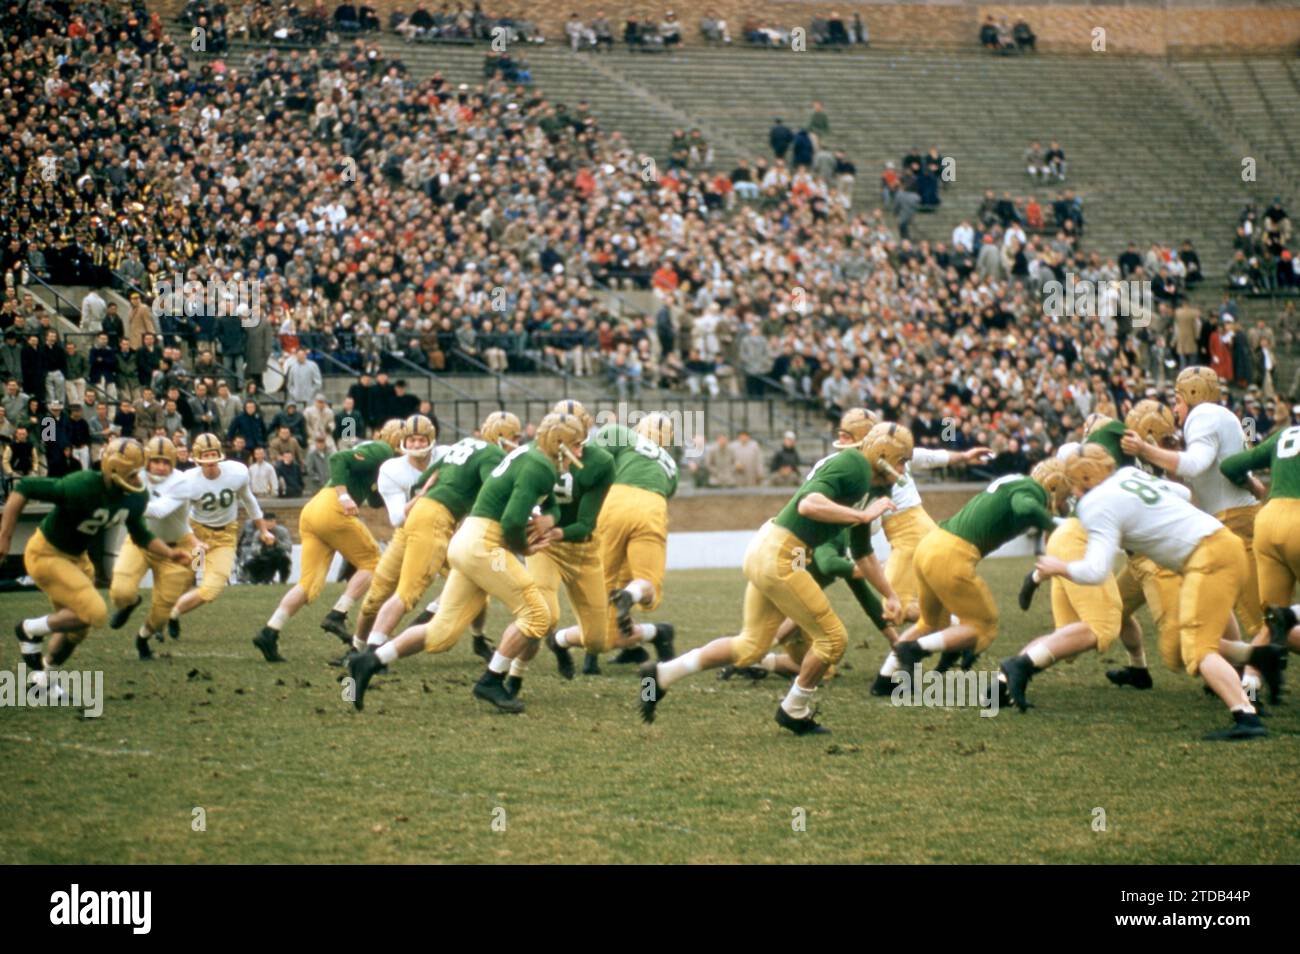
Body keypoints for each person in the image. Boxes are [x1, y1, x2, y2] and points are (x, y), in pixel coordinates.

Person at [638, 423, 903, 734]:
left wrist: (890, 595)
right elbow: (808, 504)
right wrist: (862, 515)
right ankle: (794, 710)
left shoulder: (872, 485)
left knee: (750, 647)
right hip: (782, 551)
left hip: (771, 549)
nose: (904, 468)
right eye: (903, 460)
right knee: (832, 639)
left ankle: (662, 674)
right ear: (885, 454)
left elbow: (864, 555)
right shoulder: (855, 463)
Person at [1033, 446, 1285, 740]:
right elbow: (1183, 494)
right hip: (1222, 543)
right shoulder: (1127, 474)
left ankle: (1247, 717)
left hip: (1206, 557)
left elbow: (1096, 571)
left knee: (1197, 650)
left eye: (1075, 483)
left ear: (1085, 479)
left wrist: (1059, 567)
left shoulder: (1096, 503)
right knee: (1186, 649)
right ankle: (1260, 657)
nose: (1074, 491)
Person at [346, 413, 582, 713]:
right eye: (575, 445)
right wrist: (526, 546)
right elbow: (511, 520)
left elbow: (548, 506)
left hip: (467, 539)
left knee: (441, 633)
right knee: (539, 615)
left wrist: (548, 519)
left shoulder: (531, 456)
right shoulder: (539, 466)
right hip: (484, 543)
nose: (579, 452)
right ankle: (492, 680)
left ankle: (368, 661)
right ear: (558, 442)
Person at [0, 438, 189, 676]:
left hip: (79, 558)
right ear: (114, 469)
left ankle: (43, 679)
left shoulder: (134, 497)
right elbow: (25, 487)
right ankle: (29, 629)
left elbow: (141, 534)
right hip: (47, 553)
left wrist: (171, 553)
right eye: (131, 474)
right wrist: (4, 537)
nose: (137, 480)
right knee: (95, 613)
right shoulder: (82, 485)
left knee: (77, 629)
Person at [351, 412, 519, 662]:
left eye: (422, 440)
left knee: (475, 580)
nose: (417, 445)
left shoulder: (456, 447)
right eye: (412, 440)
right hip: (419, 525)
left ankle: (474, 636)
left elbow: (436, 478)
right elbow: (399, 516)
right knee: (393, 594)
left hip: (437, 523)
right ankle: (366, 650)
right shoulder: (392, 469)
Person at [252, 419, 406, 663]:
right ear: (398, 439)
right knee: (374, 563)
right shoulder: (382, 450)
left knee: (308, 584)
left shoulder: (385, 463)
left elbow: (376, 500)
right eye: (408, 440)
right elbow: (339, 458)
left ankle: (269, 631)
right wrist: (344, 496)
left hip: (313, 510)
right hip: (332, 507)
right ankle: (338, 613)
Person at [165, 432, 276, 638]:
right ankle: (165, 616)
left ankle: (173, 613)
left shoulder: (237, 473)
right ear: (196, 460)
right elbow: (181, 517)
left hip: (224, 537)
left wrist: (263, 529)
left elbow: (249, 501)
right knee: (189, 573)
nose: (210, 465)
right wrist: (195, 541)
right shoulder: (189, 480)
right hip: (197, 535)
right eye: (205, 461)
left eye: (213, 460)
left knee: (211, 589)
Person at [107, 437, 197, 658]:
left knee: (161, 614)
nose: (160, 466)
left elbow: (158, 511)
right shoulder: (135, 475)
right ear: (146, 460)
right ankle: (131, 604)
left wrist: (122, 502)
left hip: (175, 550)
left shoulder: (182, 482)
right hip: (141, 541)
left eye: (166, 462)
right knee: (120, 593)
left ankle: (143, 638)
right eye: (156, 461)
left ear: (174, 463)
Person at [239, 511, 293, 584]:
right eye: (266, 521)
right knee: (250, 564)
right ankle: (258, 580)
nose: (269, 523)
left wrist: (276, 542)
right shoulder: (259, 533)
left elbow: (288, 547)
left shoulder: (282, 531)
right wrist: (262, 547)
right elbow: (254, 549)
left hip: (279, 555)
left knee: (284, 561)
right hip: (264, 556)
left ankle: (282, 580)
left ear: (275, 522)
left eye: (271, 521)